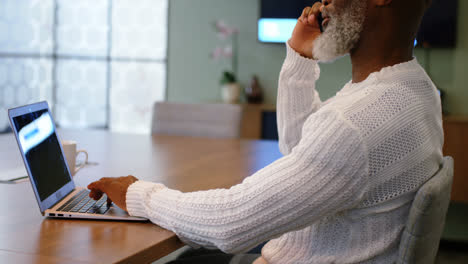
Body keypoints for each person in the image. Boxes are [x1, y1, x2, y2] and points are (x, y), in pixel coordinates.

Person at [88, 0, 442, 263]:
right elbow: (306, 156)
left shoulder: (356, 124)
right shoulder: (416, 91)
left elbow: (230, 222)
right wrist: (300, 59)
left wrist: (137, 194)